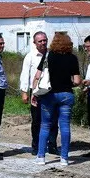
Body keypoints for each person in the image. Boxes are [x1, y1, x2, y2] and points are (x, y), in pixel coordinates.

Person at [35, 33, 81, 166]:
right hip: (66, 95)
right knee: (65, 126)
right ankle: (64, 158)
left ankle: (41, 156)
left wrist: (34, 93)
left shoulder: (48, 56)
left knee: (45, 125)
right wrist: (69, 84)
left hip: (49, 94)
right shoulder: (72, 58)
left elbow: (38, 76)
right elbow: (77, 81)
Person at [19, 31, 58, 155]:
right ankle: (36, 146)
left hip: (52, 92)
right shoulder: (30, 57)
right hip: (36, 93)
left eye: (44, 40)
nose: (43, 43)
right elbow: (25, 75)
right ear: (34, 42)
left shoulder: (53, 55)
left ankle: (52, 145)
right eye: (40, 41)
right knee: (37, 121)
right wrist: (24, 92)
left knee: (53, 120)